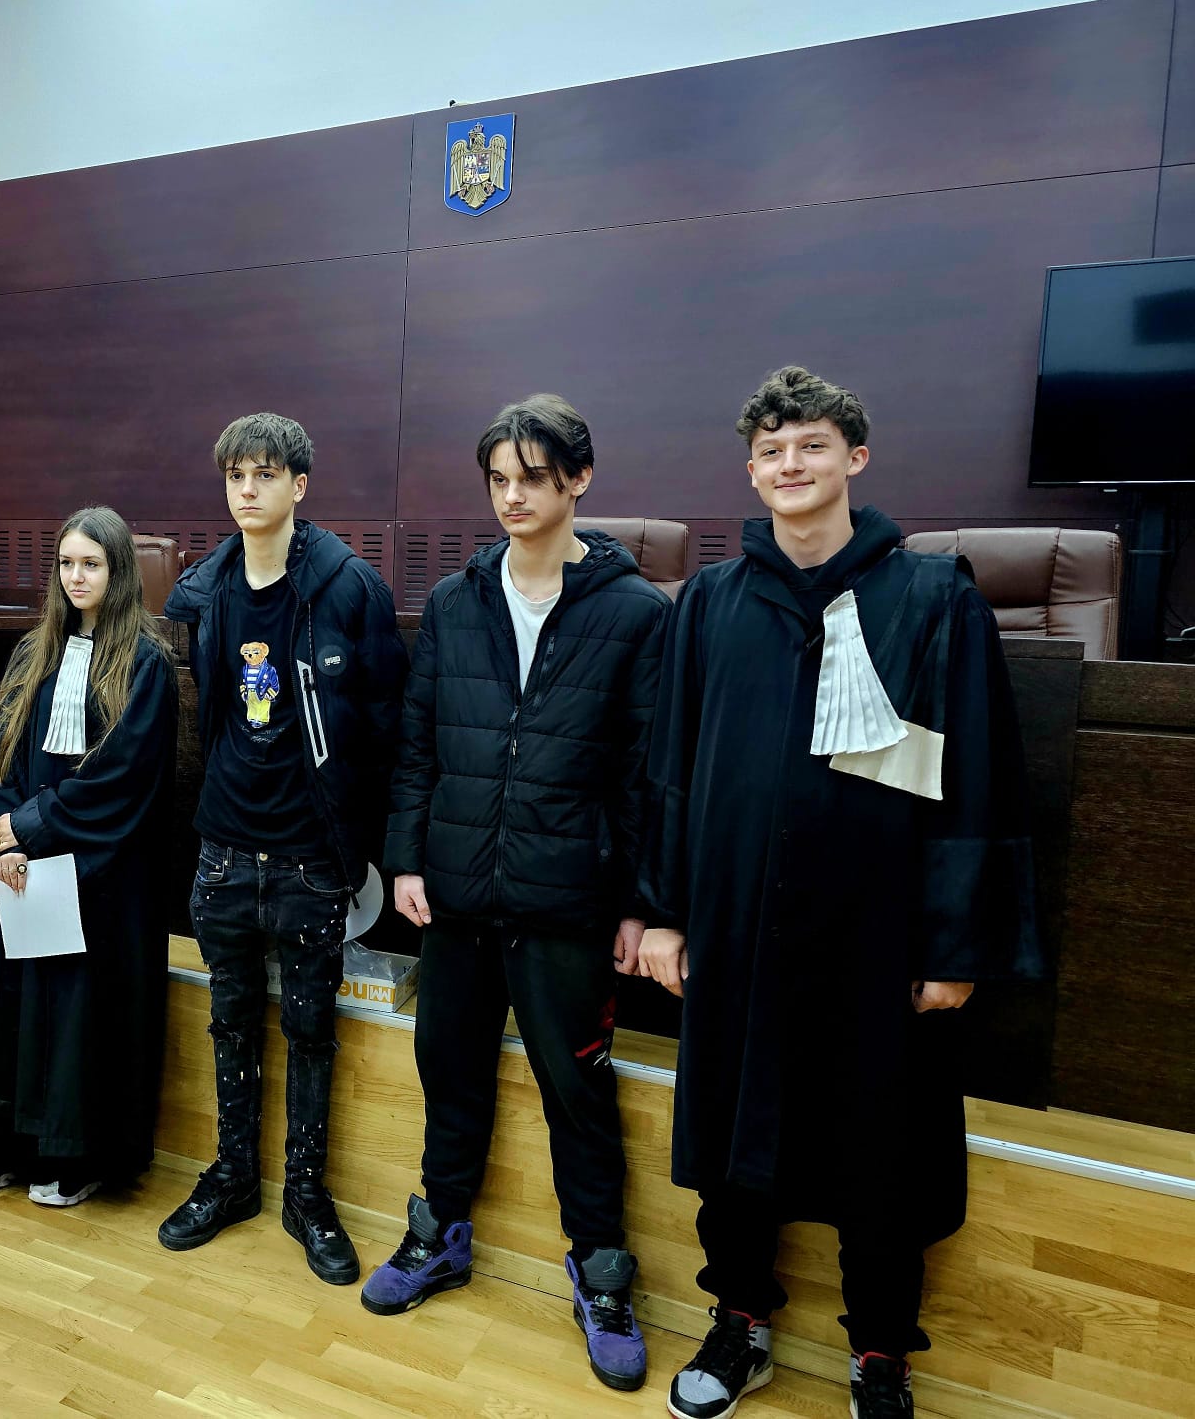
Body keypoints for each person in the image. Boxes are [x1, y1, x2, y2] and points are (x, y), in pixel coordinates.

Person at [637, 367, 1043, 1419]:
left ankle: (880, 1351)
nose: (790, 465)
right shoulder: (710, 604)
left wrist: (953, 945)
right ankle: (738, 1319)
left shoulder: (932, 599)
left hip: (877, 936)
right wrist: (664, 911)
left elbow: (975, 778)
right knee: (735, 1144)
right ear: (749, 472)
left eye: (811, 445)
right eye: (770, 451)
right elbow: (671, 768)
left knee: (882, 1150)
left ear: (855, 458)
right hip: (737, 926)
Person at [362, 396, 665, 1392]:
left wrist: (640, 903)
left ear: (578, 479)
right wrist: (407, 860)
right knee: (447, 1071)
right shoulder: (457, 602)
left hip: (567, 901)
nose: (512, 497)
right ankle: (437, 1235)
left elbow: (646, 776)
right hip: (455, 893)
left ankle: (602, 1275)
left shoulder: (634, 612)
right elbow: (417, 744)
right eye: (498, 479)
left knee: (576, 1095)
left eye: (532, 477)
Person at [156, 412, 408, 1285]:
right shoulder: (201, 592)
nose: (248, 489)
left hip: (311, 853)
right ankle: (233, 1178)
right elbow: (205, 717)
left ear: (299, 485)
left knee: (309, 1030)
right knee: (230, 1021)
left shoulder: (350, 587)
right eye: (236, 475)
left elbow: (385, 730)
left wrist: (364, 846)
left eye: (265, 474)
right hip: (224, 848)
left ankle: (305, 1194)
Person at [0, 506, 179, 1207]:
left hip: (102, 873)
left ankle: (75, 1157)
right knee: (16, 1005)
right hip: (26, 866)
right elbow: (1, 746)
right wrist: (6, 827)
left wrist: (32, 827)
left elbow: (123, 775)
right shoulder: (35, 652)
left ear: (119, 571)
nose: (77, 576)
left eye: (92, 564)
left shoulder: (146, 662)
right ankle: (6, 1145)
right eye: (66, 563)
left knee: (80, 1017)